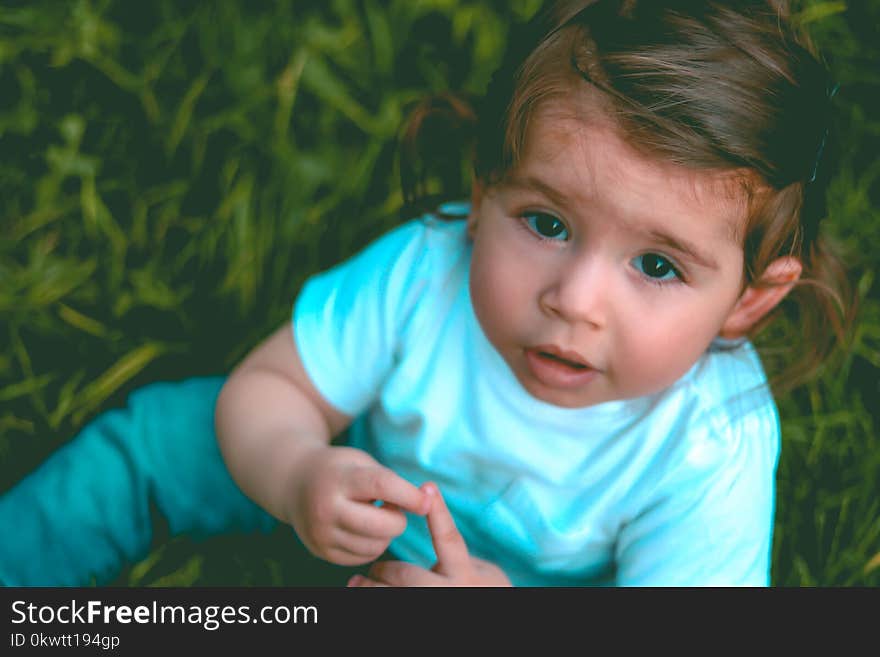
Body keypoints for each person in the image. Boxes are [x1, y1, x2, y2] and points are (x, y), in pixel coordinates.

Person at [0, 0, 849, 587]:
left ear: (748, 302)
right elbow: (274, 387)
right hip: (361, 476)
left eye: (657, 266)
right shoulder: (427, 270)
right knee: (165, 439)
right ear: (483, 192)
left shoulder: (709, 444)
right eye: (546, 222)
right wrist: (296, 470)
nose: (575, 299)